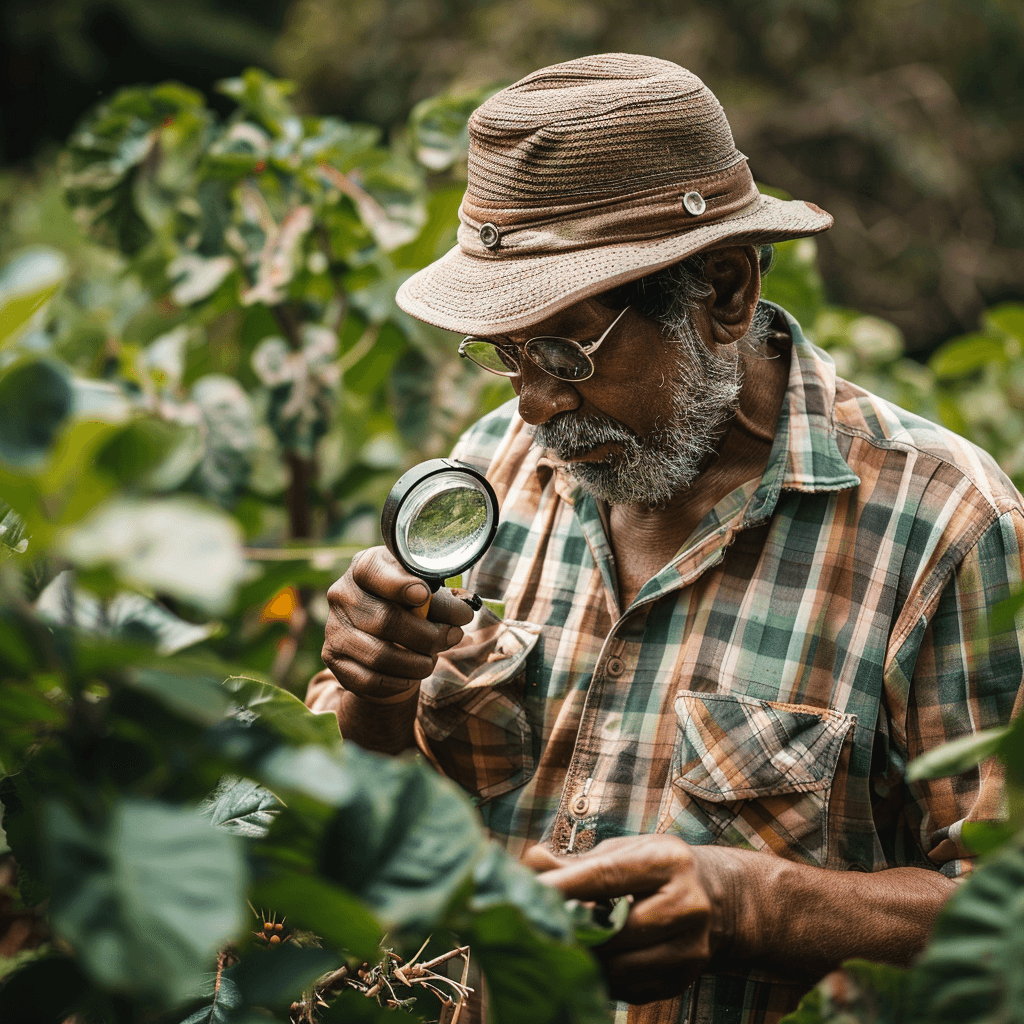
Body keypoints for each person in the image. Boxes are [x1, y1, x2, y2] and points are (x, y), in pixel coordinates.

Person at [307, 54, 1024, 1023]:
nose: (534, 401)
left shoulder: (941, 523)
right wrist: (374, 698)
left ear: (723, 291)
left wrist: (757, 902)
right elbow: (362, 816)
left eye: (566, 349)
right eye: (505, 354)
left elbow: (1007, 914)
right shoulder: (493, 469)